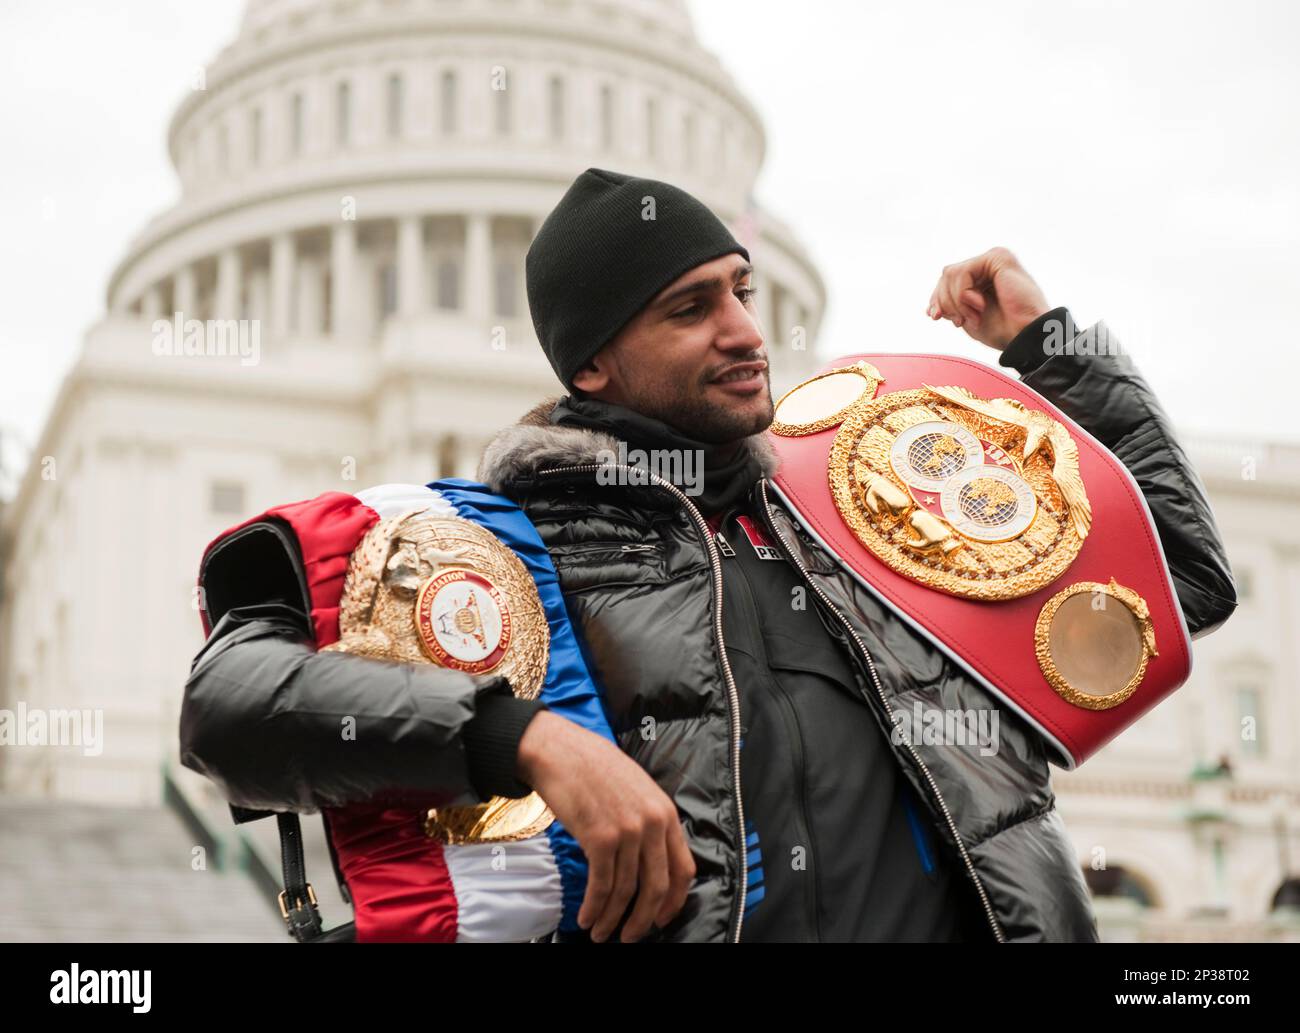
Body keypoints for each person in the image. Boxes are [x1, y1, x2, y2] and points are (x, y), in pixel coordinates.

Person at [181, 167, 1238, 943]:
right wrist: (527, 738)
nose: (744, 330)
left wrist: (1052, 348)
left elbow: (1178, 578)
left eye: (740, 288)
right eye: (692, 308)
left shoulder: (862, 514)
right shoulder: (492, 551)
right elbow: (227, 708)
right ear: (590, 360)